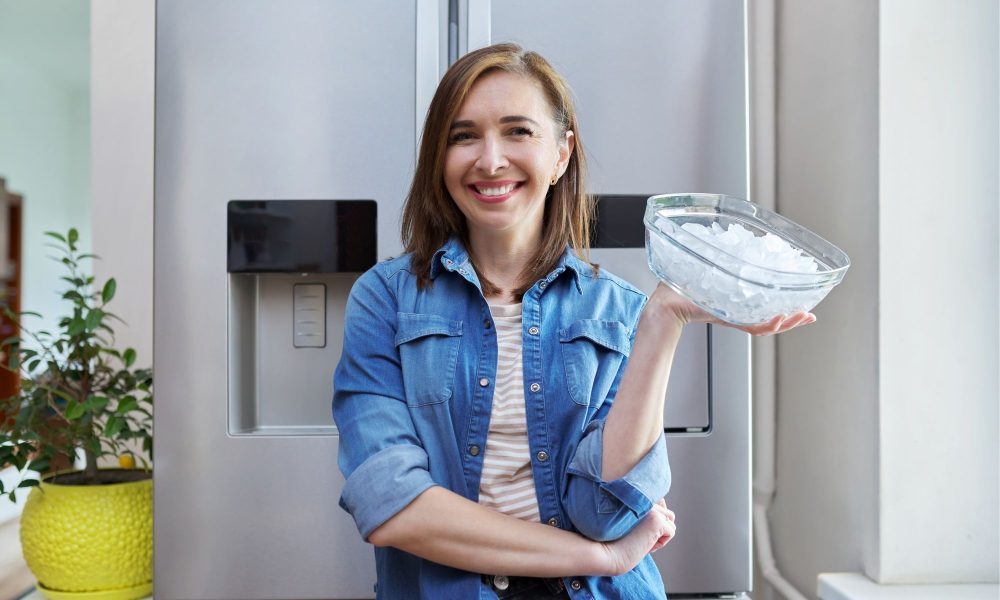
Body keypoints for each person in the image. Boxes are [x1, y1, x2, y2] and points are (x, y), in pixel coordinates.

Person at [333, 43, 814, 600]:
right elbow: (392, 507)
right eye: (463, 136)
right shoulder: (385, 301)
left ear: (562, 154)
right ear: (438, 157)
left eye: (518, 132)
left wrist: (664, 318)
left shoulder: (620, 311)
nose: (490, 160)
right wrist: (599, 558)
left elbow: (604, 509)